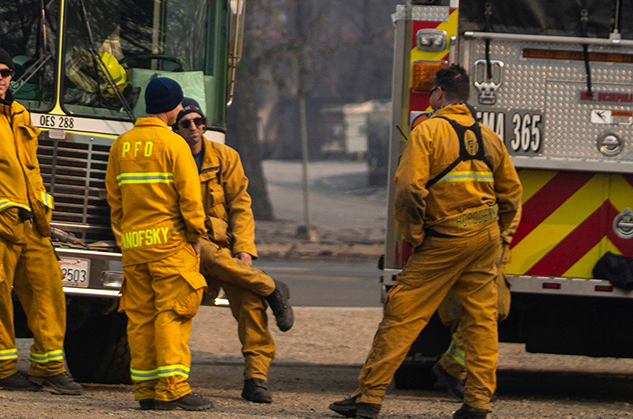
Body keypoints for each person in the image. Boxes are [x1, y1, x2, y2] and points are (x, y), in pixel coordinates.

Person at [331, 64, 521, 419]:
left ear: (437, 94)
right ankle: (477, 403)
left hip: (446, 239)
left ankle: (368, 398)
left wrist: (414, 235)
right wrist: (504, 236)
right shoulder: (488, 136)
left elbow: (408, 190)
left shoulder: (428, 132)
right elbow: (511, 194)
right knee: (481, 321)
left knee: (402, 313)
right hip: (485, 240)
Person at [0, 46, 83, 395]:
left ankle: (49, 367)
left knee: (48, 292)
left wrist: (43, 213)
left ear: (12, 77)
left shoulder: (21, 114)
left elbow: (32, 170)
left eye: (5, 73)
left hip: (31, 225)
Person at [171, 97, 295, 403]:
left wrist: (245, 251)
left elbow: (241, 206)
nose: (195, 129)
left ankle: (256, 378)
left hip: (224, 249)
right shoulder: (169, 157)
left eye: (199, 122)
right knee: (206, 260)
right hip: (186, 244)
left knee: (250, 301)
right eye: (186, 124)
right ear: (175, 128)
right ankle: (271, 286)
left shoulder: (226, 157)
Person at [105, 77, 213, 411]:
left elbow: (115, 201)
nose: (182, 110)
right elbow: (190, 200)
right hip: (170, 246)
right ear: (172, 107)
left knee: (139, 318)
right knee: (172, 314)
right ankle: (173, 388)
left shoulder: (121, 145)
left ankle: (146, 390)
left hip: (135, 247)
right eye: (180, 105)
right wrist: (196, 237)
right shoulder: (175, 145)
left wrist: (127, 238)